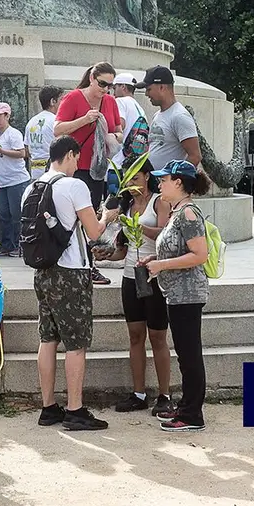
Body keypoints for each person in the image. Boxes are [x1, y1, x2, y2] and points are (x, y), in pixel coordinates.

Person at [23, 137, 108, 431]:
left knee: (48, 338)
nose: (78, 165)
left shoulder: (31, 188)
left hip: (43, 270)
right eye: (77, 158)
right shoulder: (73, 186)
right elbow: (94, 231)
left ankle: (48, 407)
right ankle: (75, 409)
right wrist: (108, 216)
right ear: (70, 155)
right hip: (71, 272)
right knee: (76, 342)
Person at [137, 160, 213, 431]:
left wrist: (161, 265)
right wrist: (155, 259)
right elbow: (179, 251)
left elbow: (199, 254)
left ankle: (193, 414)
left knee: (189, 354)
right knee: (185, 352)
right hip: (177, 293)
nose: (159, 184)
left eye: (164, 179)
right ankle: (187, 408)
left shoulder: (189, 213)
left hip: (188, 294)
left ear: (178, 182)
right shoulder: (178, 212)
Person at [94, 154, 172, 415]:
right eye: (128, 180)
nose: (132, 184)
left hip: (154, 274)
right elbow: (123, 249)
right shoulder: (125, 207)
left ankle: (164, 394)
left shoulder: (159, 202)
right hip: (130, 277)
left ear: (147, 176)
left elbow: (165, 233)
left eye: (136, 178)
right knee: (135, 336)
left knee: (158, 337)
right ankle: (138, 393)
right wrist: (107, 255)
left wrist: (138, 227)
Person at [54, 62, 122, 209]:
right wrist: (84, 120)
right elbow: (57, 129)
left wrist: (114, 137)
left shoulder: (110, 101)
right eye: (102, 84)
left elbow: (119, 131)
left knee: (92, 209)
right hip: (74, 167)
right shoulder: (73, 98)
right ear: (92, 78)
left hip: (98, 168)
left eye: (110, 86)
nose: (105, 89)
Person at [137, 65, 201, 170]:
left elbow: (195, 156)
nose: (146, 94)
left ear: (162, 87)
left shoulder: (179, 116)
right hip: (155, 183)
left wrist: (174, 179)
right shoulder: (157, 115)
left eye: (149, 89)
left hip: (168, 184)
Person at [0, 102, 29, 256]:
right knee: (3, 213)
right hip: (2, 181)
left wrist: (1, 150)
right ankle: (7, 245)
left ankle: (19, 245)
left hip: (16, 180)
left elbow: (21, 153)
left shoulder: (14, 134)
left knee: (16, 214)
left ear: (7, 116)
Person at [109, 72, 145, 169]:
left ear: (123, 87)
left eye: (114, 88)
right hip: (134, 162)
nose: (113, 92)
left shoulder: (120, 101)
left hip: (118, 162)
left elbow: (120, 125)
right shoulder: (139, 108)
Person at [26, 86, 62, 180]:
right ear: (52, 101)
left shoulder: (31, 122)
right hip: (52, 173)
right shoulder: (56, 121)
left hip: (35, 172)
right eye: (61, 100)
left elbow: (27, 150)